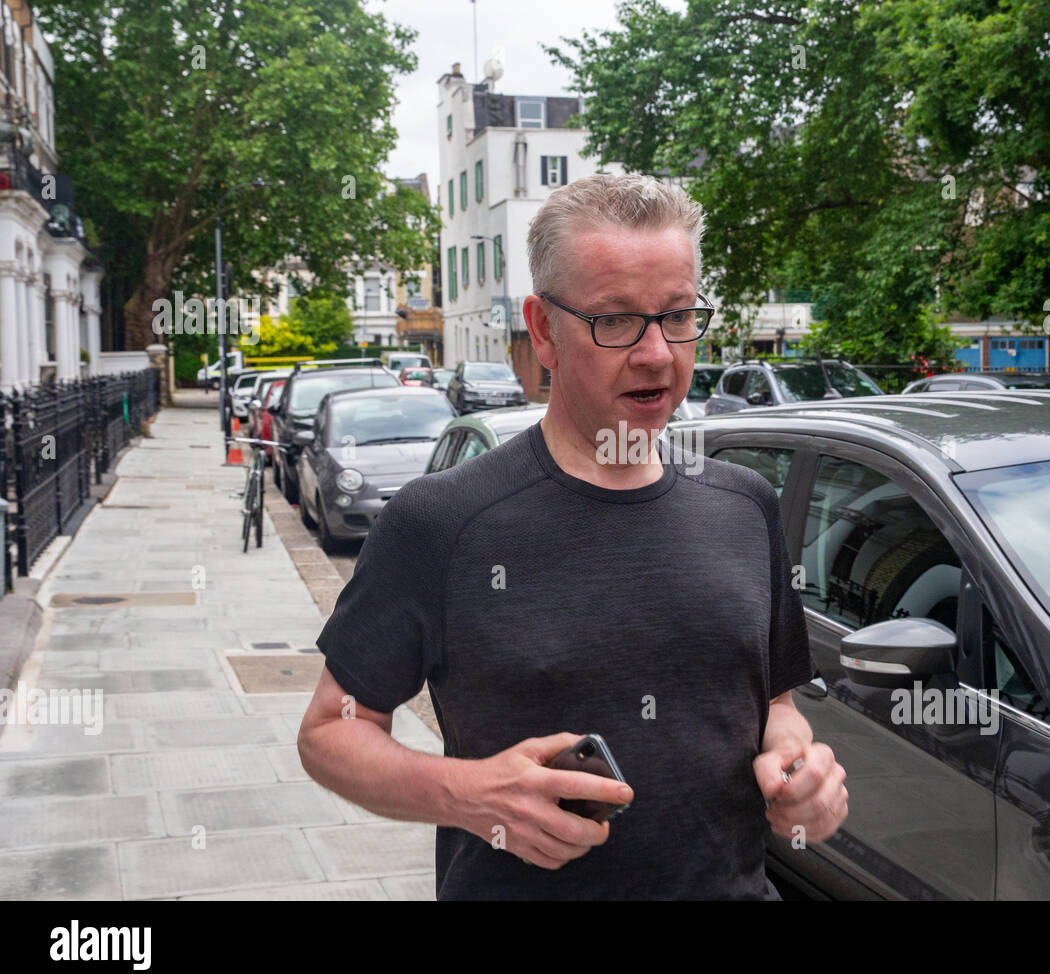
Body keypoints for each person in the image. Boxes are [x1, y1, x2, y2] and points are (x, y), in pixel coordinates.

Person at [298, 172, 848, 899]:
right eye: (616, 320)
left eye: (678, 315)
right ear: (544, 330)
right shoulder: (441, 522)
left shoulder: (742, 505)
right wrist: (470, 793)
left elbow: (773, 703)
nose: (657, 353)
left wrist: (799, 765)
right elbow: (330, 733)